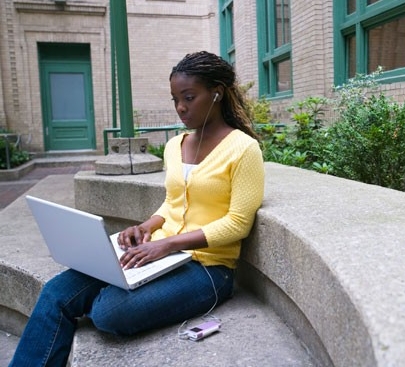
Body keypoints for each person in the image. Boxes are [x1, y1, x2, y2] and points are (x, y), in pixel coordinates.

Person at [10, 51, 265, 366]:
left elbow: (238, 223)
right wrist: (147, 227)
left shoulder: (244, 150)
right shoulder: (176, 145)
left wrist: (166, 244)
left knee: (107, 313)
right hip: (160, 253)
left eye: (189, 97)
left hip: (209, 271)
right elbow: (173, 202)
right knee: (55, 291)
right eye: (175, 99)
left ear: (217, 93)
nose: (180, 107)